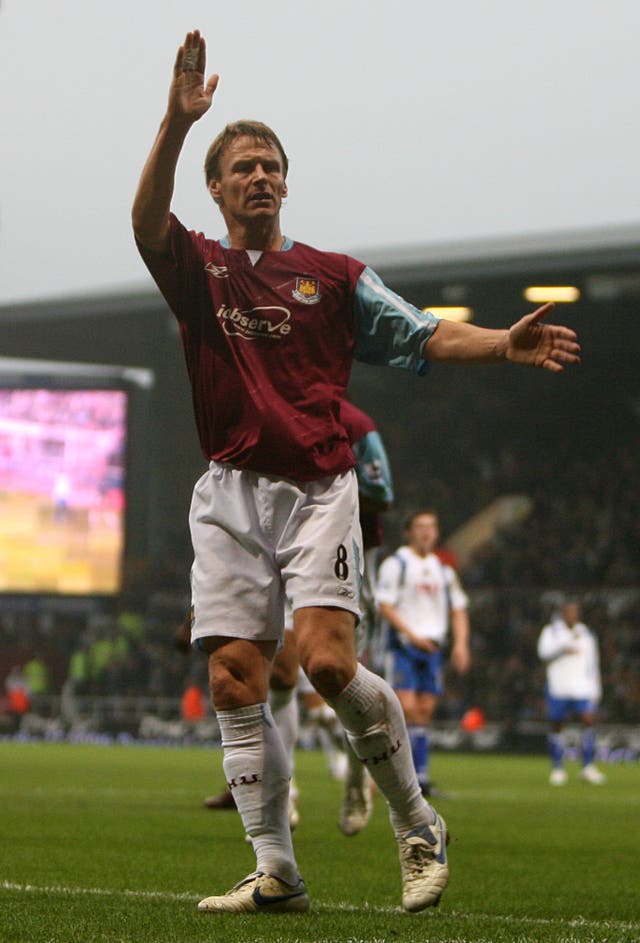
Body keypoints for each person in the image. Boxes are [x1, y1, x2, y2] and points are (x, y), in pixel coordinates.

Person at [131, 29, 581, 916]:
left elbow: (421, 333)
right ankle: (278, 871)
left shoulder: (331, 279)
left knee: (329, 665)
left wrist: (502, 344)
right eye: (243, 167)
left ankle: (417, 822)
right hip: (227, 491)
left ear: (286, 183)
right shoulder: (201, 270)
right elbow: (145, 222)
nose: (259, 176)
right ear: (217, 189)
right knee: (232, 675)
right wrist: (178, 123)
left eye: (271, 165)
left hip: (316, 490)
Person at [204, 399, 394, 836]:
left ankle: (355, 776)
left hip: (342, 556)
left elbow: (383, 494)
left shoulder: (358, 425)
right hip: (282, 554)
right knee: (283, 677)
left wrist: (324, 486)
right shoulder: (268, 413)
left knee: (340, 679)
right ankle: (283, 789)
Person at [377, 510, 471, 796]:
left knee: (425, 711)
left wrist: (461, 644)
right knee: (404, 707)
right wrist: (413, 637)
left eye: (431, 526)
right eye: (420, 527)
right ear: (408, 532)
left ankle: (421, 777)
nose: (426, 532)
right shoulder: (397, 564)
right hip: (404, 645)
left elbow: (458, 609)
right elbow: (386, 606)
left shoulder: (443, 569)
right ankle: (394, 775)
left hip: (432, 647)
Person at [537, 600, 606, 785]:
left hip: (582, 687)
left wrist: (596, 688)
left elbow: (593, 663)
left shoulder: (586, 633)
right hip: (558, 686)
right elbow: (543, 653)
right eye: (568, 612)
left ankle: (588, 767)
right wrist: (563, 647)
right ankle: (558, 768)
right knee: (557, 725)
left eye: (574, 612)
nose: (571, 615)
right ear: (562, 613)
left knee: (588, 721)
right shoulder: (551, 631)